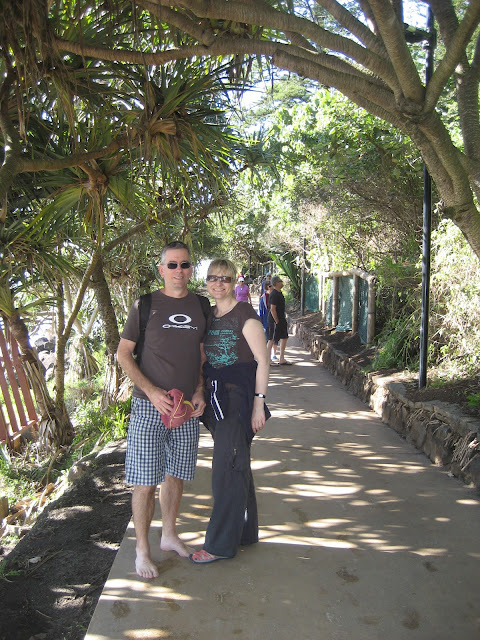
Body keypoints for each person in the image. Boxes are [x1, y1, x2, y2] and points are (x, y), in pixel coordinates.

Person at [116, 241, 209, 579]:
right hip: (148, 407)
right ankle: (142, 550)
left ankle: (169, 534)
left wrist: (199, 390)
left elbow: (202, 355)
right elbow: (123, 354)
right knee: (144, 482)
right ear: (161, 269)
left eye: (184, 264)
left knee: (176, 475)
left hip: (185, 409)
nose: (178, 271)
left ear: (191, 269)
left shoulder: (201, 306)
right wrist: (152, 392)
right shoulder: (145, 305)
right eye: (172, 265)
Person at [189, 258, 270, 564]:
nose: (218, 283)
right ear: (206, 282)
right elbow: (202, 358)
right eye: (213, 277)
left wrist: (258, 404)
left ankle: (220, 545)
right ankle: (245, 532)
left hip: (239, 399)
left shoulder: (244, 315)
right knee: (238, 463)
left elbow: (263, 360)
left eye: (225, 278)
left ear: (234, 282)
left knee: (226, 468)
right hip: (215, 399)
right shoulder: (208, 316)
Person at [267, 275, 291, 365]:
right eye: (280, 281)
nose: (282, 282)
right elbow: (272, 309)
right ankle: (267, 359)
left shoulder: (279, 293)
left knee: (284, 337)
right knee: (272, 339)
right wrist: (277, 321)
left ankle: (282, 358)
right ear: (276, 283)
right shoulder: (274, 294)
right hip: (275, 320)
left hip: (281, 318)